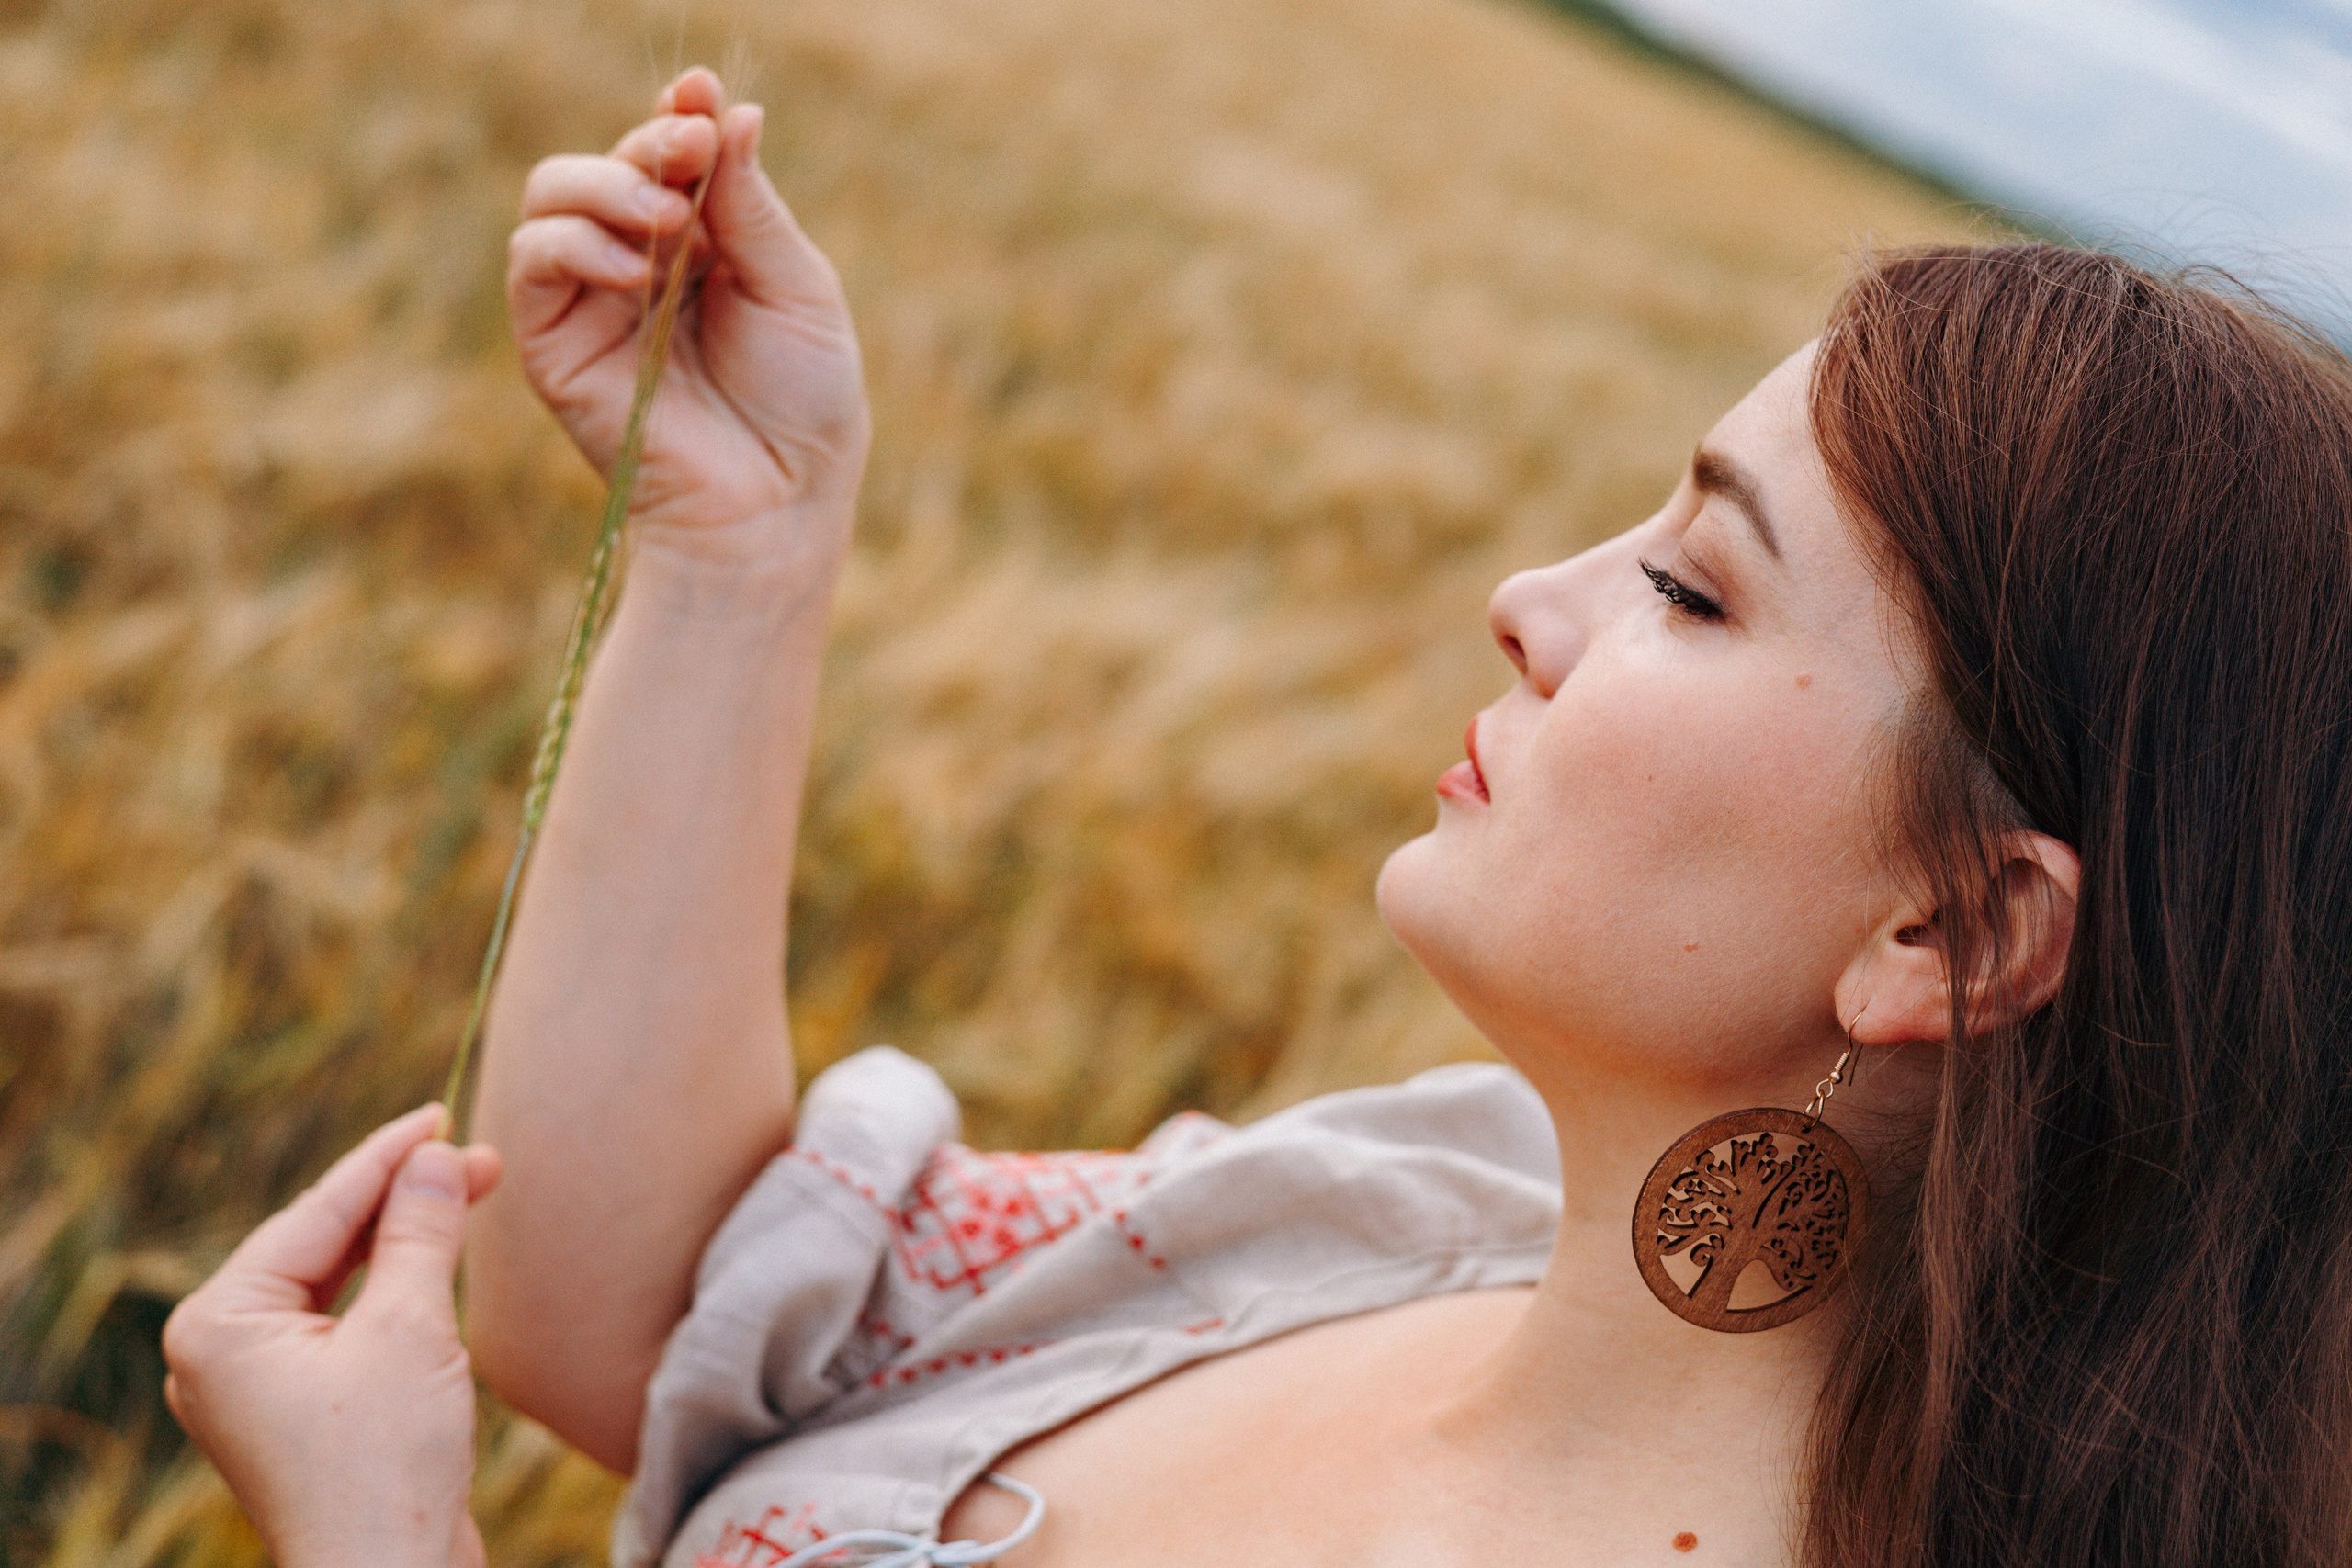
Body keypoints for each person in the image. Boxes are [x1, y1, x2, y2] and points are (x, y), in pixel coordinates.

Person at [161, 64, 2352, 1568]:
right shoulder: (1417, 1209)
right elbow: (645, 1308)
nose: (1527, 604)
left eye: (1689, 585)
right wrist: (741, 545)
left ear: (1953, 938)